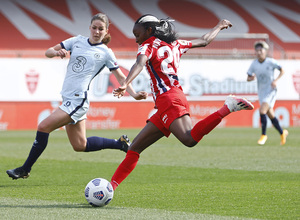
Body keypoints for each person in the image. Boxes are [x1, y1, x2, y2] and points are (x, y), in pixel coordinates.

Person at [110, 14, 254, 191]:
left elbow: (140, 64)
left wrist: (125, 83)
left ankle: (228, 107)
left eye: (137, 34)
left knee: (189, 138)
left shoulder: (147, 46)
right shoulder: (175, 44)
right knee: (134, 149)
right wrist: (219, 26)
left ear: (149, 30)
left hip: (168, 99)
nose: (136, 39)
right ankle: (110, 188)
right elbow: (204, 41)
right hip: (170, 100)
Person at [6, 13, 147, 180]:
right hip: (68, 99)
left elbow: (121, 77)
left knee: (43, 127)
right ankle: (119, 143)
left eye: (100, 29)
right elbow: (48, 51)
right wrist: (57, 53)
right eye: (94, 28)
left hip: (78, 100)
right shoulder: (76, 41)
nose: (96, 31)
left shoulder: (106, 53)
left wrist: (134, 94)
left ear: (106, 31)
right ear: (89, 28)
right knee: (80, 145)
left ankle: (25, 169)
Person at [247, 41, 288, 145]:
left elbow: (282, 70)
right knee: (271, 115)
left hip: (270, 90)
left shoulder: (271, 62)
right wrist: (251, 78)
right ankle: (282, 133)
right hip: (261, 92)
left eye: (261, 50)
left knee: (262, 110)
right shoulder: (254, 64)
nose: (259, 52)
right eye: (257, 50)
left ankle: (263, 135)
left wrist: (276, 80)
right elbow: (248, 77)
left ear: (265, 51)